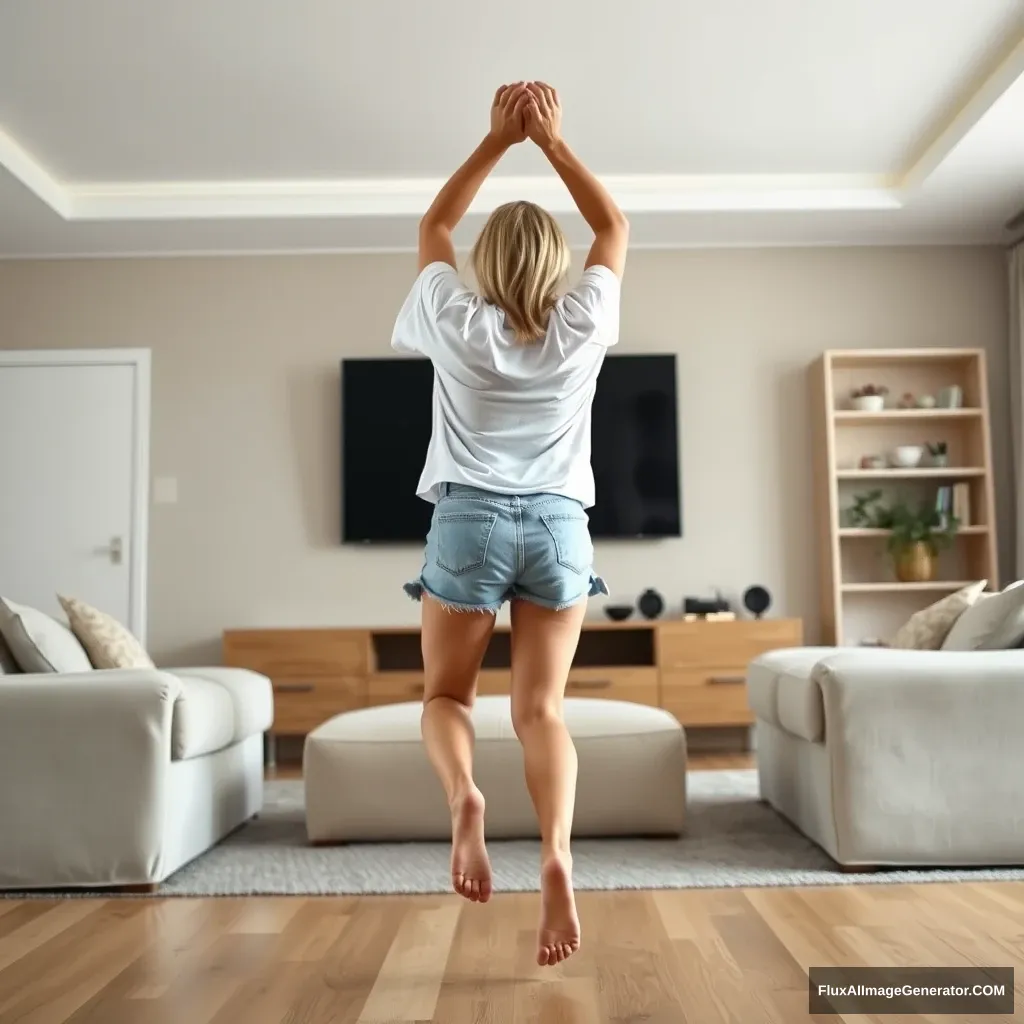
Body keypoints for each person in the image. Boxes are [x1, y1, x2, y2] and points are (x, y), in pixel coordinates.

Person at [390, 81, 628, 968]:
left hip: (469, 523)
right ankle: (558, 854)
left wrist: (495, 142)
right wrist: (553, 144)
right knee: (542, 710)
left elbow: (433, 230)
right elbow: (613, 229)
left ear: (486, 267)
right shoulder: (581, 323)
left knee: (448, 698)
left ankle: (465, 802)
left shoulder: (456, 320)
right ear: (556, 268)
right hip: (561, 528)